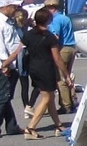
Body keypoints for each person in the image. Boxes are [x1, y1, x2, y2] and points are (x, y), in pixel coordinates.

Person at [20, 7, 72, 139]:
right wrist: (66, 74)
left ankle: (58, 125)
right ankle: (31, 128)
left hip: (33, 68)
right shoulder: (49, 37)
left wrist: (6, 63)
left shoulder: (29, 34)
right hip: (46, 69)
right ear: (48, 20)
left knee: (50, 98)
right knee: (47, 98)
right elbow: (57, 59)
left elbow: (17, 51)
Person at [0, 0, 25, 139]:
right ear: (6, 6)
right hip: (4, 64)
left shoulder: (9, 21)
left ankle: (12, 126)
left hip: (12, 63)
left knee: (7, 96)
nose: (16, 9)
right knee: (4, 96)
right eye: (14, 6)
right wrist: (5, 64)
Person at [48, 2, 77, 114]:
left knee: (61, 79)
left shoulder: (55, 20)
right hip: (71, 47)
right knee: (68, 75)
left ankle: (66, 104)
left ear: (52, 8)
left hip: (62, 48)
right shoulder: (66, 18)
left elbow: (56, 36)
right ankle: (72, 99)